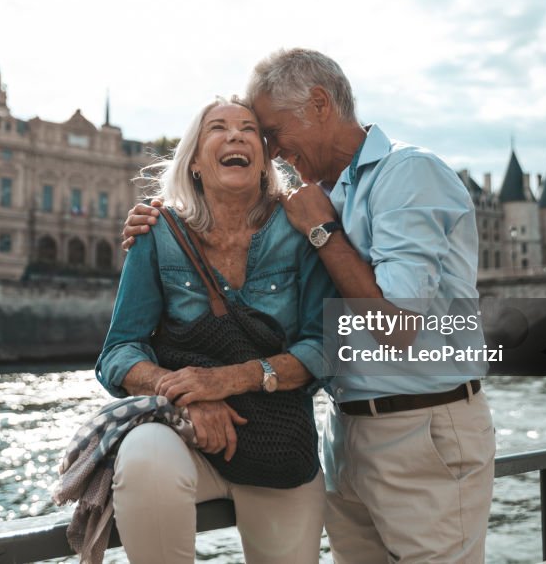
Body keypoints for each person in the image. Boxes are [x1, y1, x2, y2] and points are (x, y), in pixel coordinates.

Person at [123, 50, 495, 563]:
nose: (271, 149)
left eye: (270, 131)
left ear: (319, 104)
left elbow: (399, 328)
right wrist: (156, 222)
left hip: (423, 429)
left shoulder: (408, 174)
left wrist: (323, 232)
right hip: (346, 432)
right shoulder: (321, 193)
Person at [96, 97, 334, 564]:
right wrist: (188, 393)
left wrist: (227, 380)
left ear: (265, 161)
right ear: (196, 161)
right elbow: (119, 352)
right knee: (143, 454)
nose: (236, 136)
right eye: (218, 128)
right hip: (187, 436)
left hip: (280, 445)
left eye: (249, 129)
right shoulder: (158, 230)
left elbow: (324, 349)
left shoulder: (300, 229)